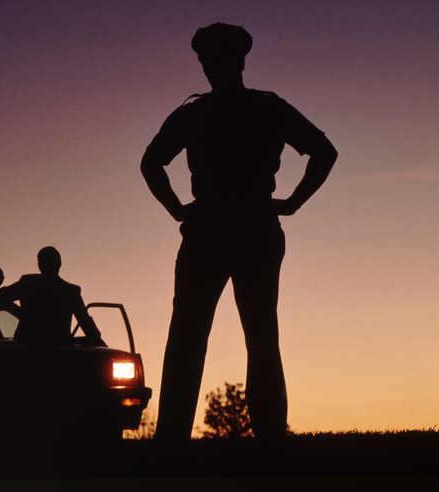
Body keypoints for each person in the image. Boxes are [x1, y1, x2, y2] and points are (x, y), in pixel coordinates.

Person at [141, 22, 337, 442]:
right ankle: (266, 441)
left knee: (193, 336)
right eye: (206, 59)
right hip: (251, 227)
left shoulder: (199, 113)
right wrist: (291, 203)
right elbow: (324, 151)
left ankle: (175, 439)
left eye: (212, 58)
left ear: (235, 60)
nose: (210, 66)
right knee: (257, 334)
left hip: (216, 228)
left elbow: (151, 163)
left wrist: (179, 210)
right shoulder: (266, 108)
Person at [0, 246, 105, 346]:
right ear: (59, 263)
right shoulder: (70, 291)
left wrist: (23, 315)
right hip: (58, 349)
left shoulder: (28, 283)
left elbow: (0, 297)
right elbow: (88, 326)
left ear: (39, 265)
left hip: (27, 346)